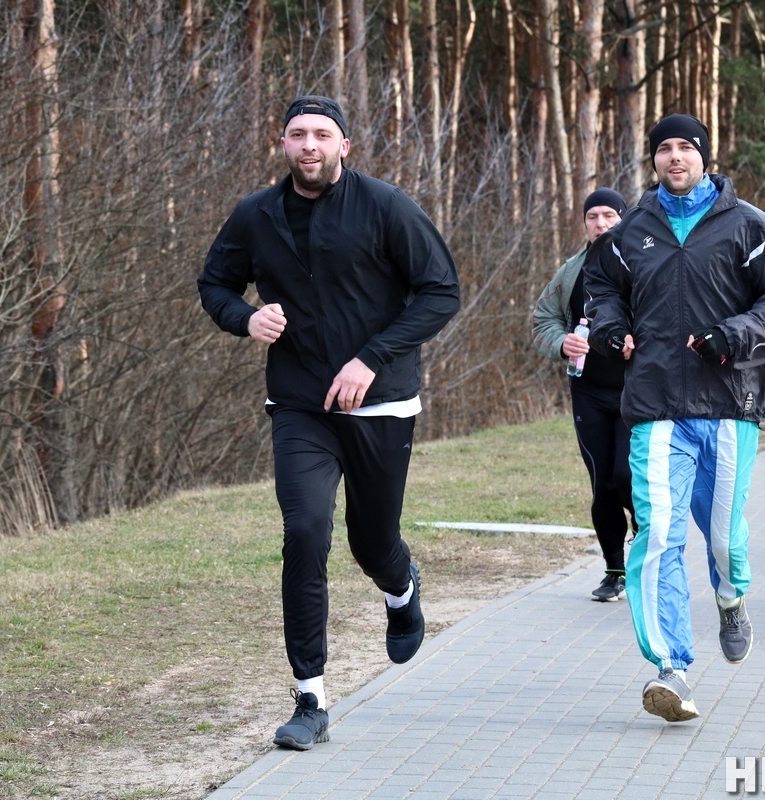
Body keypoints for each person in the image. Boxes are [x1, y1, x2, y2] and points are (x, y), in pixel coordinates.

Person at [197, 95, 460, 750]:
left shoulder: (386, 206)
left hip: (381, 401)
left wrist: (371, 360)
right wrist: (245, 317)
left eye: (321, 134)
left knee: (372, 544)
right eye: (297, 134)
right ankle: (309, 697)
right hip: (299, 402)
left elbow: (440, 291)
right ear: (282, 145)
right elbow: (215, 284)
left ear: (345, 145)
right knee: (306, 529)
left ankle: (401, 587)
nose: (308, 144)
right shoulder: (256, 216)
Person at [584, 113, 765, 722]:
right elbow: (600, 288)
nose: (675, 158)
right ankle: (671, 668)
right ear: (652, 161)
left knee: (722, 536)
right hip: (656, 405)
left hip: (729, 405)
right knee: (658, 534)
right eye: (664, 149)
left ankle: (731, 599)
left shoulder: (750, 228)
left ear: (704, 157)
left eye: (686, 148)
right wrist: (611, 330)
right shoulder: (629, 233)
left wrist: (732, 337)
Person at [532, 188, 636, 602]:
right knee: (603, 484)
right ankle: (615, 571)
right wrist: (561, 343)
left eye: (609, 214)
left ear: (624, 219)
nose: (601, 223)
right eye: (592, 216)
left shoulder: (643, 264)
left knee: (629, 479)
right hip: (588, 391)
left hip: (637, 391)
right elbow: (543, 319)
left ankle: (645, 544)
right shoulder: (570, 270)